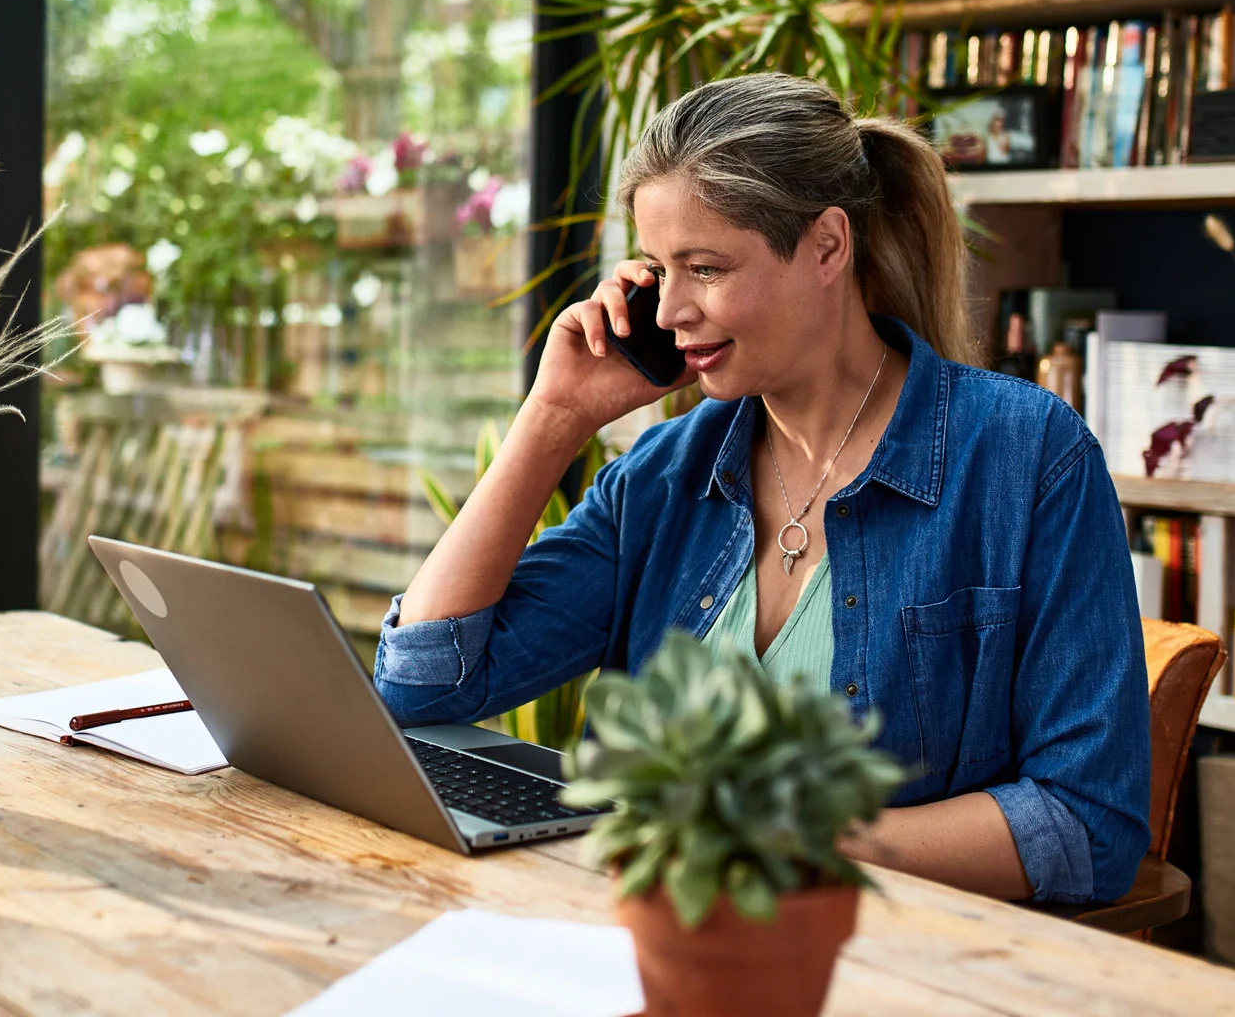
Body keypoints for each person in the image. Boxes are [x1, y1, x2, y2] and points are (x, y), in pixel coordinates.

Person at [374, 73, 1149, 905]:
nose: (668, 312)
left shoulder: (1025, 456)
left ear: (827, 247)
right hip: (637, 936)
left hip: (885, 953)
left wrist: (785, 841)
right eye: (657, 270)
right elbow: (422, 686)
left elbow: (1085, 825)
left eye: (705, 268)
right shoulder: (665, 474)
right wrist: (555, 416)